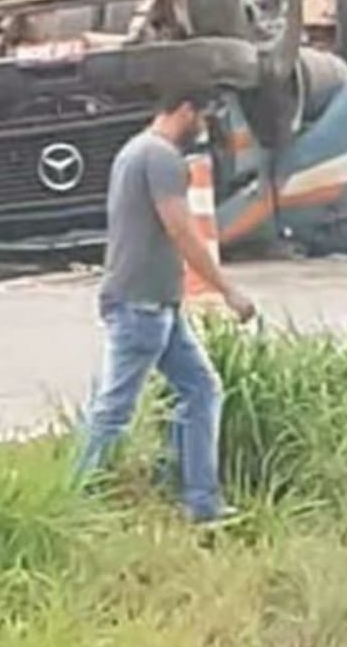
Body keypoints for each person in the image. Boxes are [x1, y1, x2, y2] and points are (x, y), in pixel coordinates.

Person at [76, 91, 256, 522]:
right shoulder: (161, 157)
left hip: (155, 304)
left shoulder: (134, 151)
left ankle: (201, 503)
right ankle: (74, 499)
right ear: (185, 110)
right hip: (143, 305)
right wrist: (227, 289)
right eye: (204, 116)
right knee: (114, 409)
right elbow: (181, 229)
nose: (205, 127)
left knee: (201, 389)